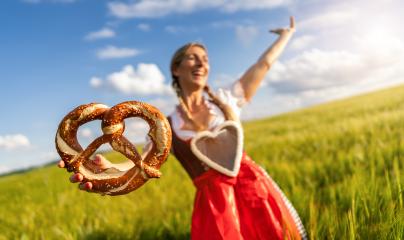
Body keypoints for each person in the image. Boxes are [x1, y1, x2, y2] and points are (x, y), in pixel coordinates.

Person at [59, 16, 307, 240]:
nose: (201, 63)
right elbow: (144, 161)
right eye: (193, 57)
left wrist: (287, 35)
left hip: (255, 189)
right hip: (214, 203)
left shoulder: (226, 99)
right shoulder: (166, 126)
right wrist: (108, 168)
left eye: (205, 59)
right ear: (176, 69)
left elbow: (262, 65)